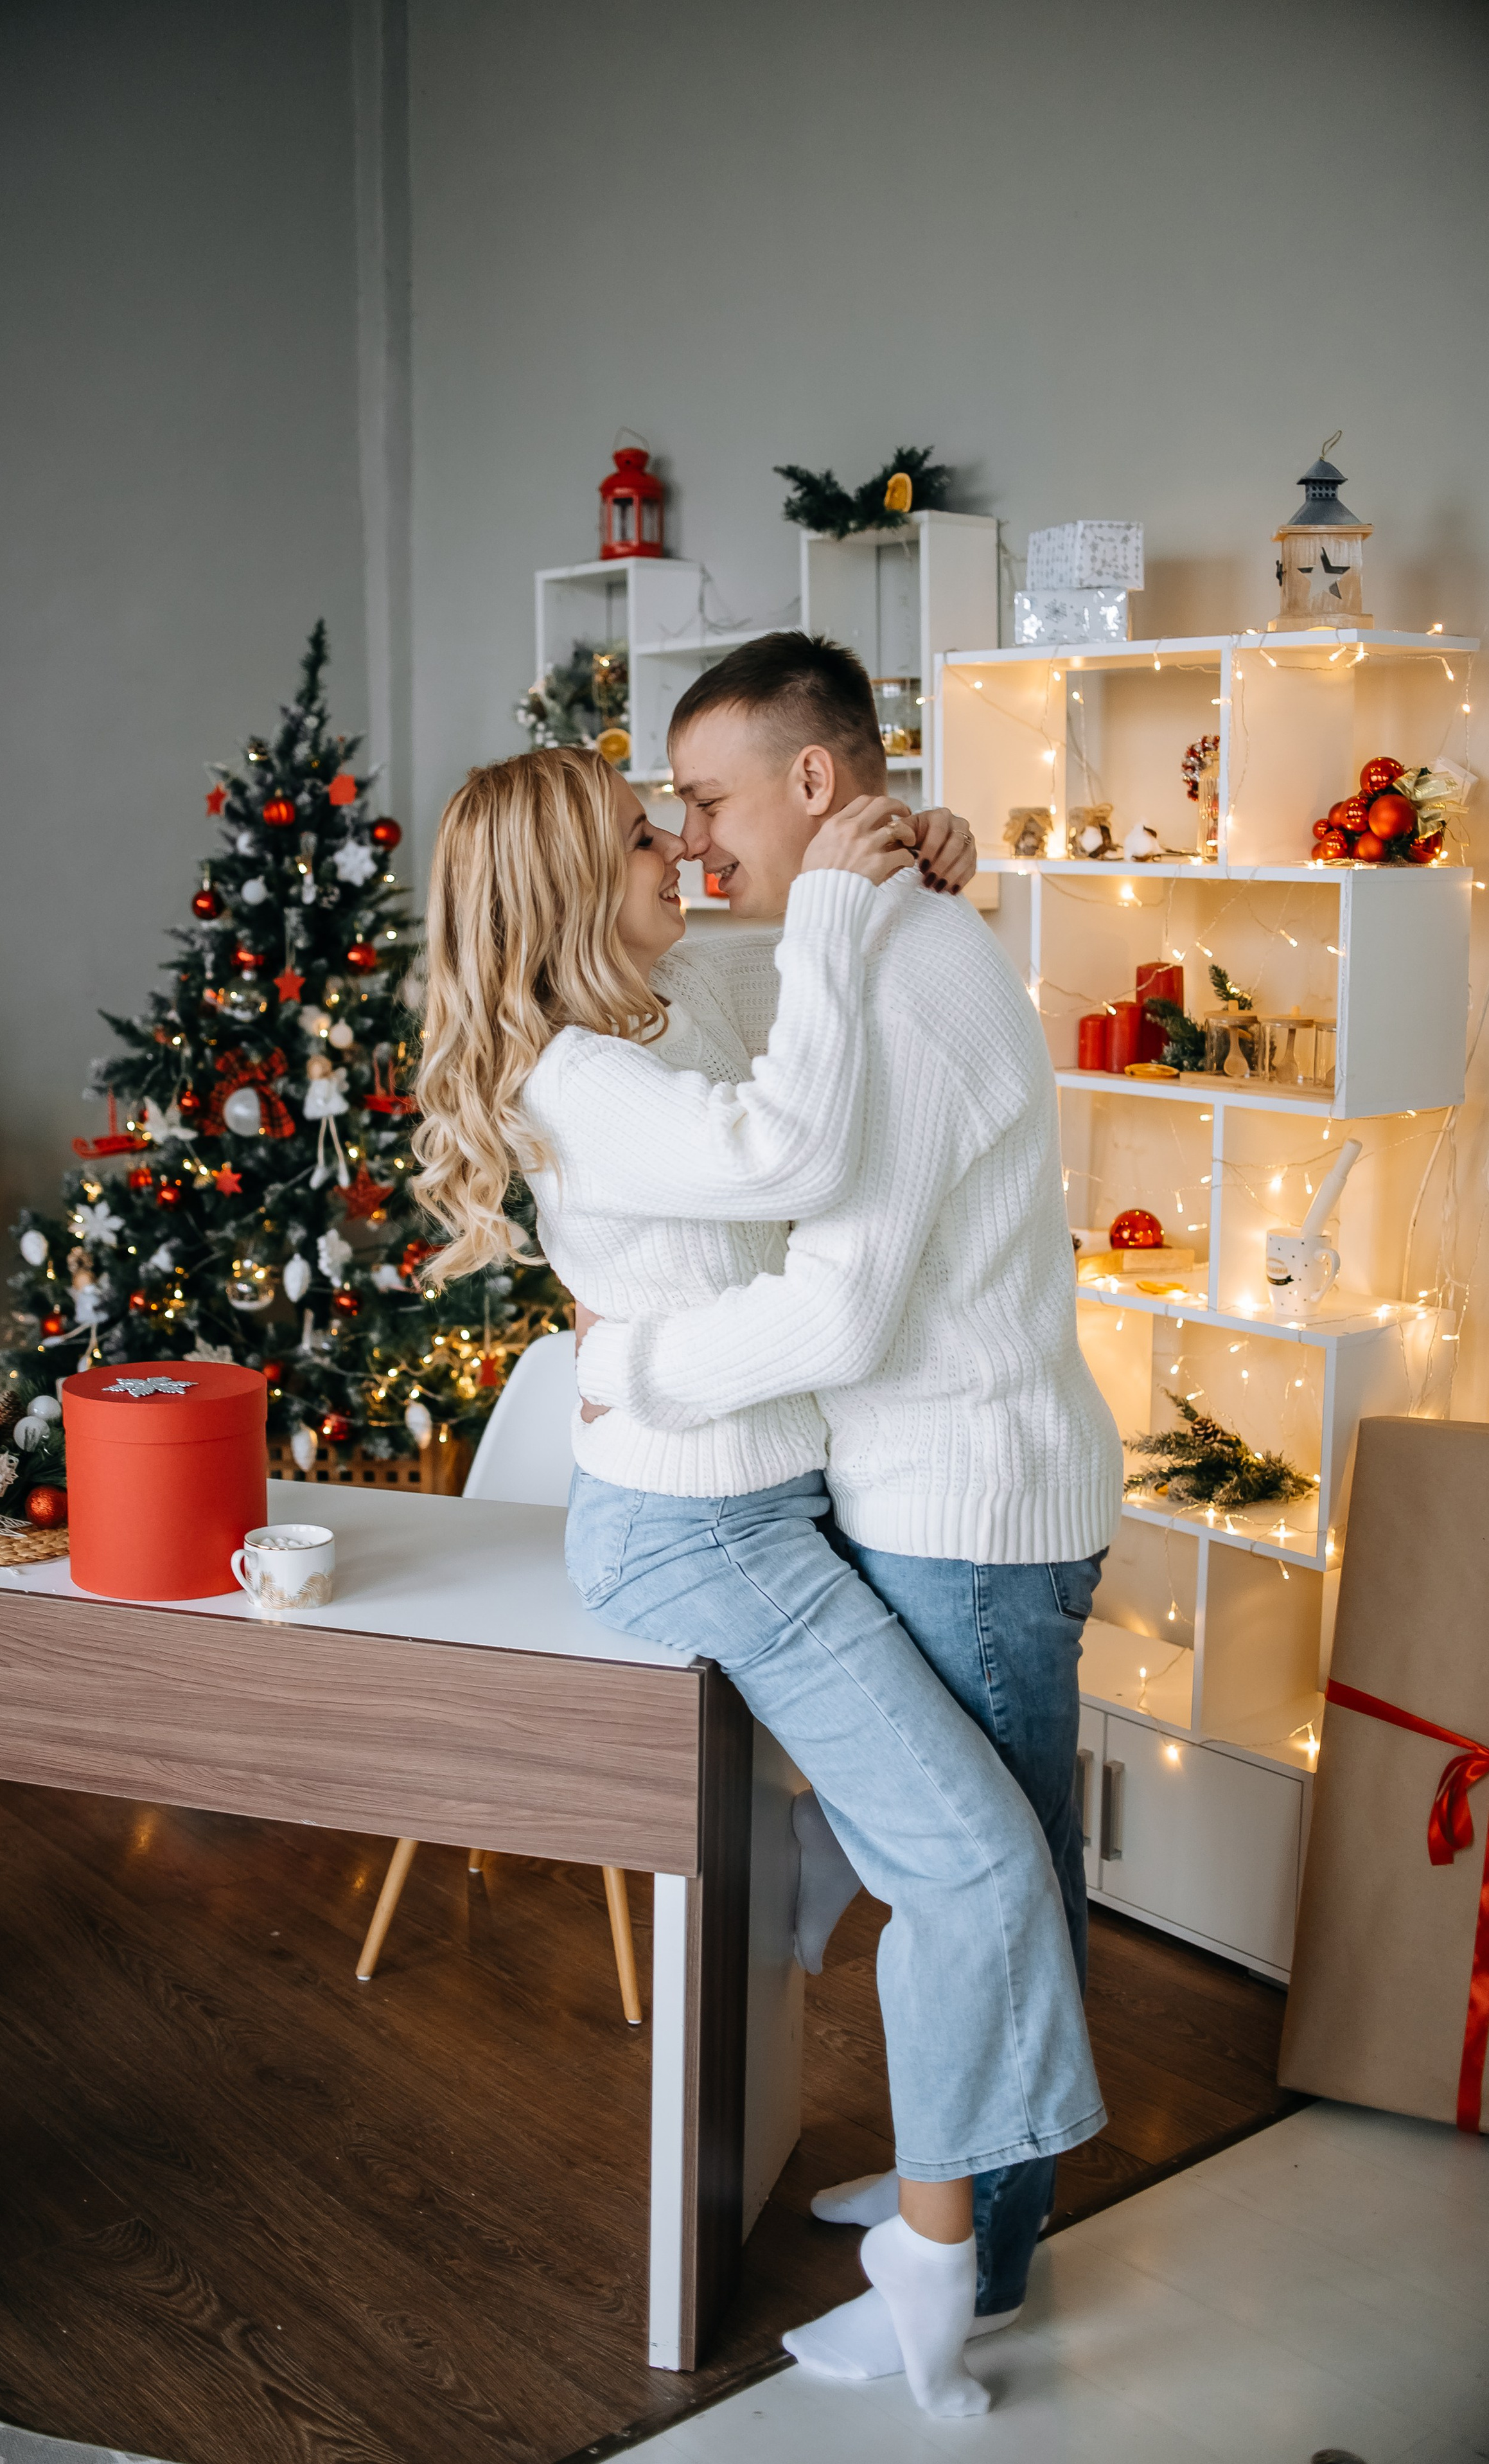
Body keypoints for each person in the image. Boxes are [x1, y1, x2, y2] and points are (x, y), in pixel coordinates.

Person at [413, 743, 1105, 2420]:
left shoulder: (638, 1011)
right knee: (975, 1862)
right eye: (646, 835)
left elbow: (794, 939)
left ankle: (919, 2139)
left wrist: (916, 862)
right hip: (703, 1535)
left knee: (934, 1849)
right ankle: (938, 2259)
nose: (680, 848)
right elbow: (795, 1145)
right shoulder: (585, 1074)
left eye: (679, 814)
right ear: (578, 889)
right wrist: (841, 915)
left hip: (759, 1516)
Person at [573, 632, 1123, 2371]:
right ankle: (945, 2186)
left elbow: (843, 1301)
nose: (696, 839)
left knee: (994, 1873)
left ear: (814, 783)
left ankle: (990, 2257)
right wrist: (902, 849)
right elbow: (724, 984)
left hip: (971, 1503)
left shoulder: (897, 973)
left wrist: (637, 1367)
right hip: (923, 1484)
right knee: (963, 1863)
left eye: (712, 800)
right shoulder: (861, 937)